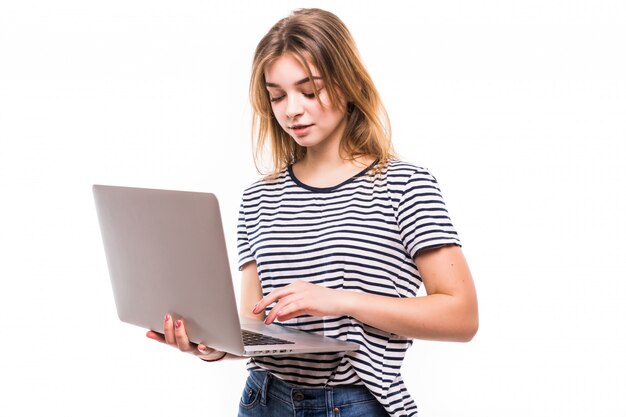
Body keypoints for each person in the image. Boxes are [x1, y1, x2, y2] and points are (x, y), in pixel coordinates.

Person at [147, 8, 478, 417]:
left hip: (355, 403)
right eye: (278, 95)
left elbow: (462, 316)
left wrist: (341, 301)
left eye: (309, 90)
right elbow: (255, 326)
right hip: (263, 399)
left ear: (348, 84)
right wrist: (213, 346)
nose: (291, 110)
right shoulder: (258, 198)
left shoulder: (404, 185)